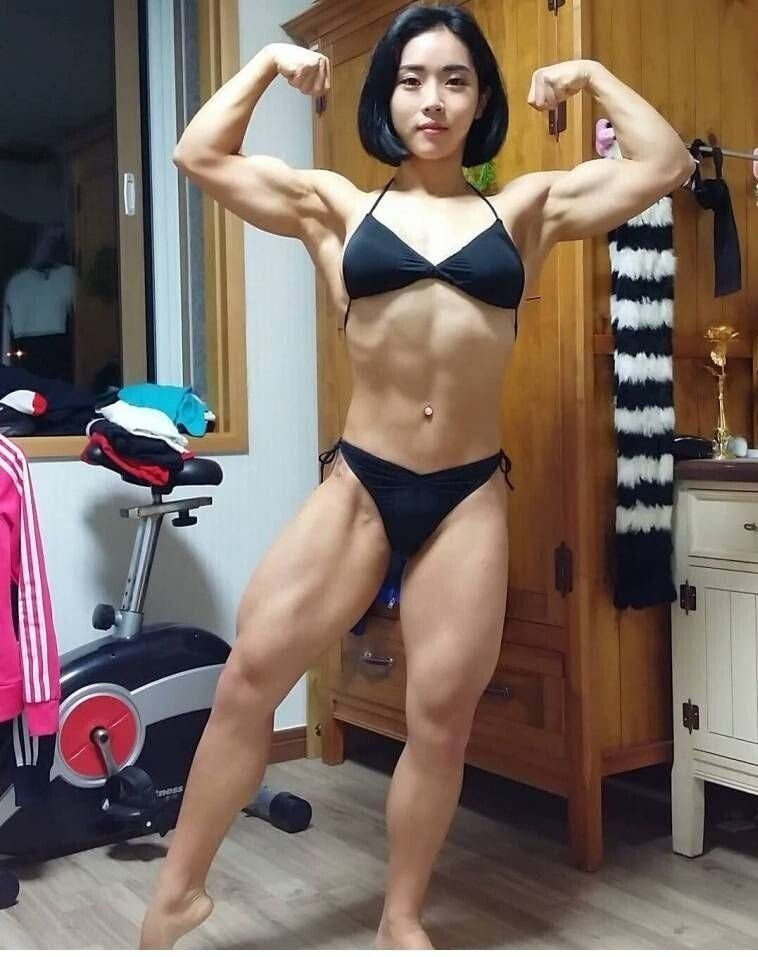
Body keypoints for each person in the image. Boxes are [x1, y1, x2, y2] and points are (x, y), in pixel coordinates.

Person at [139, 4, 695, 949]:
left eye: (454, 80)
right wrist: (269, 64)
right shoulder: (337, 207)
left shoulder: (524, 210)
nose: (432, 99)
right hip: (360, 484)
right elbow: (198, 153)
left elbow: (666, 164)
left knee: (440, 720)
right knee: (250, 677)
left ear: (480, 101)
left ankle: (401, 915)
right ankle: (176, 895)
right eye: (411, 79)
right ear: (386, 99)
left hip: (466, 496)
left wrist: (592, 75)